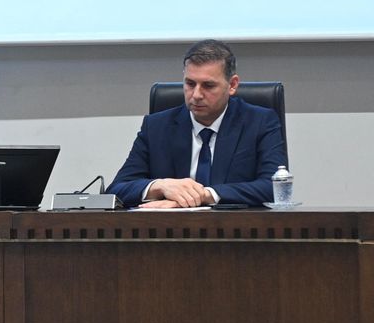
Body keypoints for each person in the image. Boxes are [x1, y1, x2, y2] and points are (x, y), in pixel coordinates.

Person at [106, 39, 287, 208]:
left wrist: (203, 195)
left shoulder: (260, 122)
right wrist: (160, 186)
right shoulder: (156, 126)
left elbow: (274, 187)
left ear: (232, 85)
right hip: (171, 229)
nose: (197, 95)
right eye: (190, 84)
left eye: (208, 85)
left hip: (236, 228)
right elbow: (116, 190)